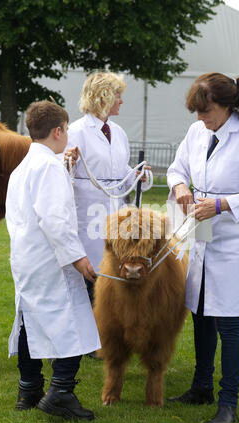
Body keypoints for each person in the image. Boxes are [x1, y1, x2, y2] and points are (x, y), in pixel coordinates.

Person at [167, 73, 239, 423]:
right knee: (199, 313)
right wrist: (181, 186)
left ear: (228, 106)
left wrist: (221, 205)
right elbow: (176, 168)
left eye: (207, 111)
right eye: (197, 113)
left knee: (228, 324)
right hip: (202, 236)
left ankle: (228, 401)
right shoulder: (197, 132)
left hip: (234, 244)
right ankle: (201, 386)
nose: (201, 119)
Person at [6, 100, 101, 421]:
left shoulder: (24, 167)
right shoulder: (48, 168)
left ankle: (29, 388)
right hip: (52, 260)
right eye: (68, 130)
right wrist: (79, 259)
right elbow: (55, 220)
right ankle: (60, 392)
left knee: (29, 320)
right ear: (58, 131)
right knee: (74, 322)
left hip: (27, 256)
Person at [62, 71, 151, 305]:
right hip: (87, 213)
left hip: (116, 214)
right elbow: (64, 171)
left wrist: (138, 174)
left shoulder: (118, 133)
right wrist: (68, 161)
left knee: (113, 273)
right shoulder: (77, 131)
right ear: (104, 97)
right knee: (89, 277)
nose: (121, 101)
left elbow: (120, 172)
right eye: (118, 95)